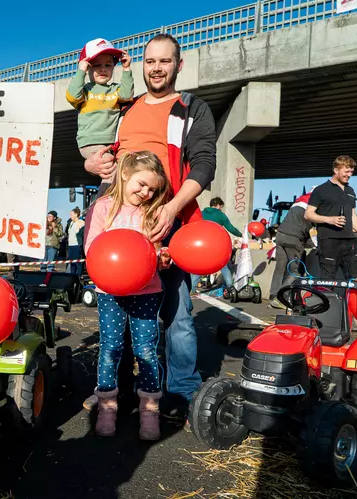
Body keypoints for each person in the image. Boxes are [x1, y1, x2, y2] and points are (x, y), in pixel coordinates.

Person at [84, 34, 217, 423]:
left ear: (179, 65)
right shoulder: (124, 107)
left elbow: (205, 164)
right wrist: (92, 163)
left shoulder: (190, 108)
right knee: (116, 316)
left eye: (165, 61)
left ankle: (181, 391)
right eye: (149, 61)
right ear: (141, 64)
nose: (156, 68)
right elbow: (97, 145)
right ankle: (117, 391)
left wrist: (173, 207)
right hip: (117, 222)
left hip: (168, 219)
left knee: (176, 314)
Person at [85, 151, 170, 440]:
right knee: (110, 348)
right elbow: (91, 249)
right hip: (109, 291)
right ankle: (107, 406)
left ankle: (149, 410)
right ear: (124, 175)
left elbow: (157, 251)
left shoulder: (154, 212)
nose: (146, 193)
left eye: (152, 189)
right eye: (142, 184)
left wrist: (163, 258)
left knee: (145, 349)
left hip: (147, 291)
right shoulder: (103, 208)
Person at [66, 37, 133, 184]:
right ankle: (103, 201)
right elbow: (71, 96)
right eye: (96, 65)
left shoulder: (115, 89)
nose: (103, 69)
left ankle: (111, 200)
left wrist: (126, 69)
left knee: (126, 170)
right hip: (91, 143)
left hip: (111, 144)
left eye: (108, 65)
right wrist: (80, 70)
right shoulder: (84, 91)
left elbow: (127, 95)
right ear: (88, 67)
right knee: (110, 168)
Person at [305, 156, 357, 279]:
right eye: (346, 171)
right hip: (329, 241)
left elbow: (352, 215)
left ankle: (351, 299)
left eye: (351, 172)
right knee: (328, 279)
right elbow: (308, 214)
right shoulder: (321, 190)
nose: (349, 175)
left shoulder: (350, 190)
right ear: (336, 170)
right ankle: (327, 298)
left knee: (356, 279)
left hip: (350, 240)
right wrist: (329, 219)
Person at [190, 197, 241, 294]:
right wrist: (242, 235)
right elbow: (231, 228)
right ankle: (230, 287)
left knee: (199, 266)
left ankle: (192, 288)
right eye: (221, 206)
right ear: (218, 205)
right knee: (223, 265)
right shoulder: (220, 215)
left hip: (202, 244)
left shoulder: (201, 214)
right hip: (216, 244)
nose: (221, 209)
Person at [66, 208, 86, 275]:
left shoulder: (81, 222)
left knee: (78, 263)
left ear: (76, 214)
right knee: (72, 263)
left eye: (71, 214)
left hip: (76, 245)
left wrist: (80, 241)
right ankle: (72, 278)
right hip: (70, 245)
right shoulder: (71, 223)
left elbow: (82, 233)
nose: (70, 216)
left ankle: (79, 278)